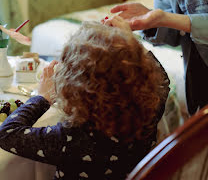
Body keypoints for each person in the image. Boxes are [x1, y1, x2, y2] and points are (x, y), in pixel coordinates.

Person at [0, 18, 169, 180]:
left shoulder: (72, 138)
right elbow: (162, 80)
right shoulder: (147, 113)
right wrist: (130, 42)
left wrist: (42, 97)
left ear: (74, 89)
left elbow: (7, 134)